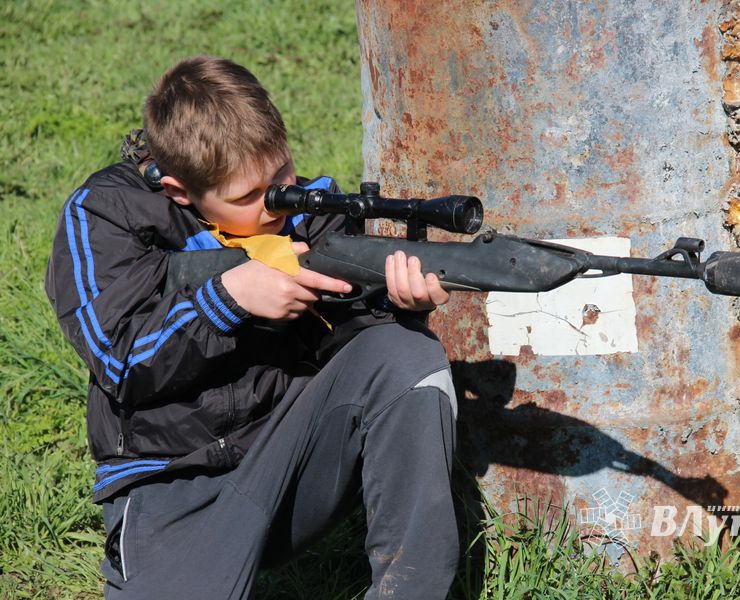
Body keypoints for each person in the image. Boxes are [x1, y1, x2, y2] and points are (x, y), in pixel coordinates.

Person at [45, 55, 459, 599]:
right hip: (171, 484)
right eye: (247, 198)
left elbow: (360, 357)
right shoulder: (104, 215)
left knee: (404, 353)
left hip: (286, 464)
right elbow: (120, 360)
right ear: (178, 190)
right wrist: (227, 299)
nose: (279, 204)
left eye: (283, 176)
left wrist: (402, 308)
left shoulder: (314, 212)